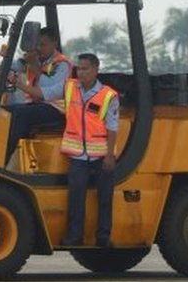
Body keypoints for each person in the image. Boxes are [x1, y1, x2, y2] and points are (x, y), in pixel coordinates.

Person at [58, 53, 119, 248]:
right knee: (76, 197)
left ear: (96, 70)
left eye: (85, 69)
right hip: (77, 155)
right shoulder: (69, 87)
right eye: (79, 68)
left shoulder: (108, 95)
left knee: (105, 196)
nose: (80, 72)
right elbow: (47, 93)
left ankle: (103, 236)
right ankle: (75, 237)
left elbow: (112, 126)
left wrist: (110, 155)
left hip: (101, 155)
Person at [3, 27, 72, 164]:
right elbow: (12, 67)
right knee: (4, 111)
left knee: (21, 113)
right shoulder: (36, 59)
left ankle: (4, 158)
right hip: (36, 106)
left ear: (55, 44)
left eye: (43, 44)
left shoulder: (61, 64)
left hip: (57, 109)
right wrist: (5, 59)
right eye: (37, 45)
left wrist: (34, 68)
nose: (39, 48)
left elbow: (51, 91)